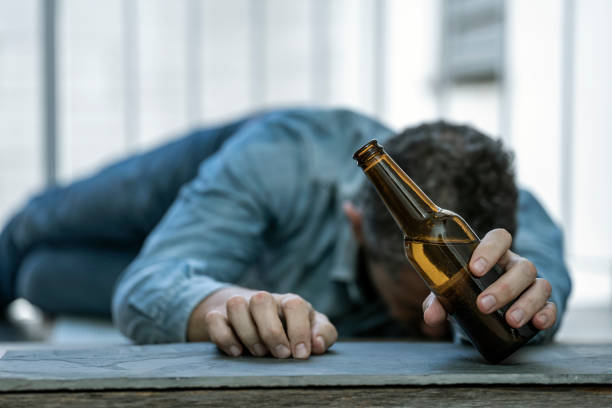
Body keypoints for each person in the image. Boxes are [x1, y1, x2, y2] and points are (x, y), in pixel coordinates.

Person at [0, 108, 571, 359]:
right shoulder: (280, 160)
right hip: (221, 182)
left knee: (42, 277)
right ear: (355, 223)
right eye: (405, 311)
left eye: (443, 310)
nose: (426, 328)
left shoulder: (514, 222)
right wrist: (229, 306)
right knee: (34, 227)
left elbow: (541, 292)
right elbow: (151, 281)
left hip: (252, 263)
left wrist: (520, 309)